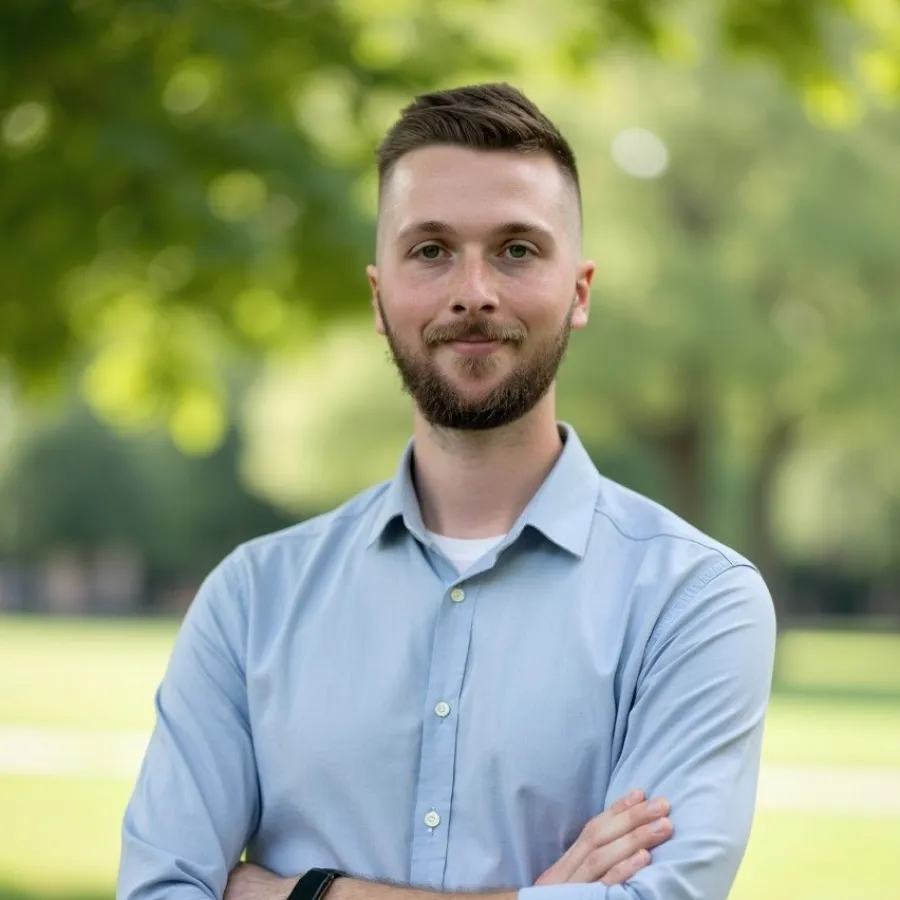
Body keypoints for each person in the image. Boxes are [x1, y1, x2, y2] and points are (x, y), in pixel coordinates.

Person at [117, 83, 776, 900]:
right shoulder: (252, 599)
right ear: (377, 295)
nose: (473, 291)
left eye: (517, 249)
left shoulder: (696, 600)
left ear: (579, 291)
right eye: (430, 251)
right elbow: (160, 890)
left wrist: (303, 894)